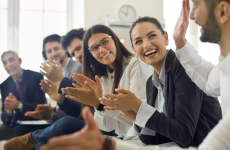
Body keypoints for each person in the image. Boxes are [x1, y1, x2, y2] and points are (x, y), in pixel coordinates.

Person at [39, 0, 230, 150]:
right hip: (164, 143)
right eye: (138, 41)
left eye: (152, 36)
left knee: (66, 126)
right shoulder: (152, 82)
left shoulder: (180, 69)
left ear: (165, 37)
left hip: (197, 145)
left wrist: (135, 109)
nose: (146, 45)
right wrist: (130, 113)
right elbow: (152, 135)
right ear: (133, 47)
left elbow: (183, 135)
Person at [4, 25, 153, 150]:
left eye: (79, 48)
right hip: (115, 131)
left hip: (130, 135)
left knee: (65, 123)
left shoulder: (132, 65)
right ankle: (33, 139)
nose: (78, 55)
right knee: (39, 140)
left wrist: (97, 103)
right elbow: (103, 121)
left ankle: (32, 137)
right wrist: (57, 104)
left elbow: (136, 120)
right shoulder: (104, 74)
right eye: (94, 47)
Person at [0, 51, 47, 141]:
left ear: (19, 60)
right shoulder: (4, 85)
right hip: (16, 124)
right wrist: (8, 112)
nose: (9, 65)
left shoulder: (36, 77)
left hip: (37, 122)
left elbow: (41, 106)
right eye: (5, 63)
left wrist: (19, 105)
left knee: (19, 130)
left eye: (11, 60)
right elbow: (4, 118)